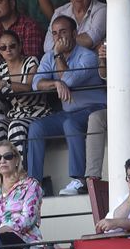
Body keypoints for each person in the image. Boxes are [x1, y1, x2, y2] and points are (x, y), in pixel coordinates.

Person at [28, 16, 105, 196]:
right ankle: (34, 184)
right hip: (69, 111)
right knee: (36, 127)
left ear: (74, 33)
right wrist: (55, 84)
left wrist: (58, 56)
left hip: (95, 107)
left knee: (70, 124)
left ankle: (79, 179)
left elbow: (68, 80)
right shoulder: (49, 56)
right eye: (54, 33)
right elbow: (35, 83)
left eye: (63, 32)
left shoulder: (87, 56)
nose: (58, 37)